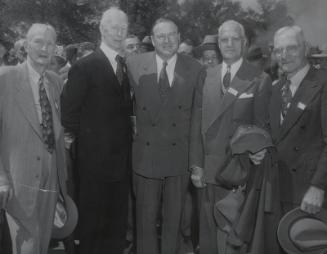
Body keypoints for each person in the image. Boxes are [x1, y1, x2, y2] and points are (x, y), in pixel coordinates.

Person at [190, 20, 272, 254]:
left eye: (235, 38)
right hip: (207, 170)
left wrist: (259, 150)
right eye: (224, 39)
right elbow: (196, 125)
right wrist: (195, 165)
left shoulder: (259, 79)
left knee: (232, 238)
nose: (229, 44)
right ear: (218, 44)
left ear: (244, 43)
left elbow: (261, 129)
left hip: (237, 173)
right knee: (206, 239)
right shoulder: (206, 76)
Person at [126, 18, 205, 254]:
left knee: (174, 224)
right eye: (161, 36)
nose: (167, 40)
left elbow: (196, 120)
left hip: (178, 158)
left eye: (172, 35)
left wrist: (195, 163)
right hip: (144, 158)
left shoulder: (195, 68)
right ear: (152, 39)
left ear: (179, 37)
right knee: (145, 224)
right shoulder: (133, 64)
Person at [61, 7, 133, 254]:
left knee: (116, 228)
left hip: (121, 164)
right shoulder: (85, 66)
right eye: (115, 27)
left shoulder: (125, 65)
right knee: (92, 229)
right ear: (102, 30)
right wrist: (89, 147)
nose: (120, 32)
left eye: (124, 27)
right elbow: (69, 114)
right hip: (94, 165)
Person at [0, 23, 68, 254]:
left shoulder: (54, 81)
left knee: (43, 238)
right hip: (19, 176)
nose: (44, 48)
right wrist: (1, 177)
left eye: (50, 43)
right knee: (27, 243)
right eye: (38, 42)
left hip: (51, 176)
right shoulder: (5, 79)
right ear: (26, 45)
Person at [269, 26, 327, 220]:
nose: (284, 55)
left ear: (306, 48)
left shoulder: (323, 83)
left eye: (291, 48)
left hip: (310, 196)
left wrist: (318, 187)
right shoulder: (275, 89)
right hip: (278, 191)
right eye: (278, 50)